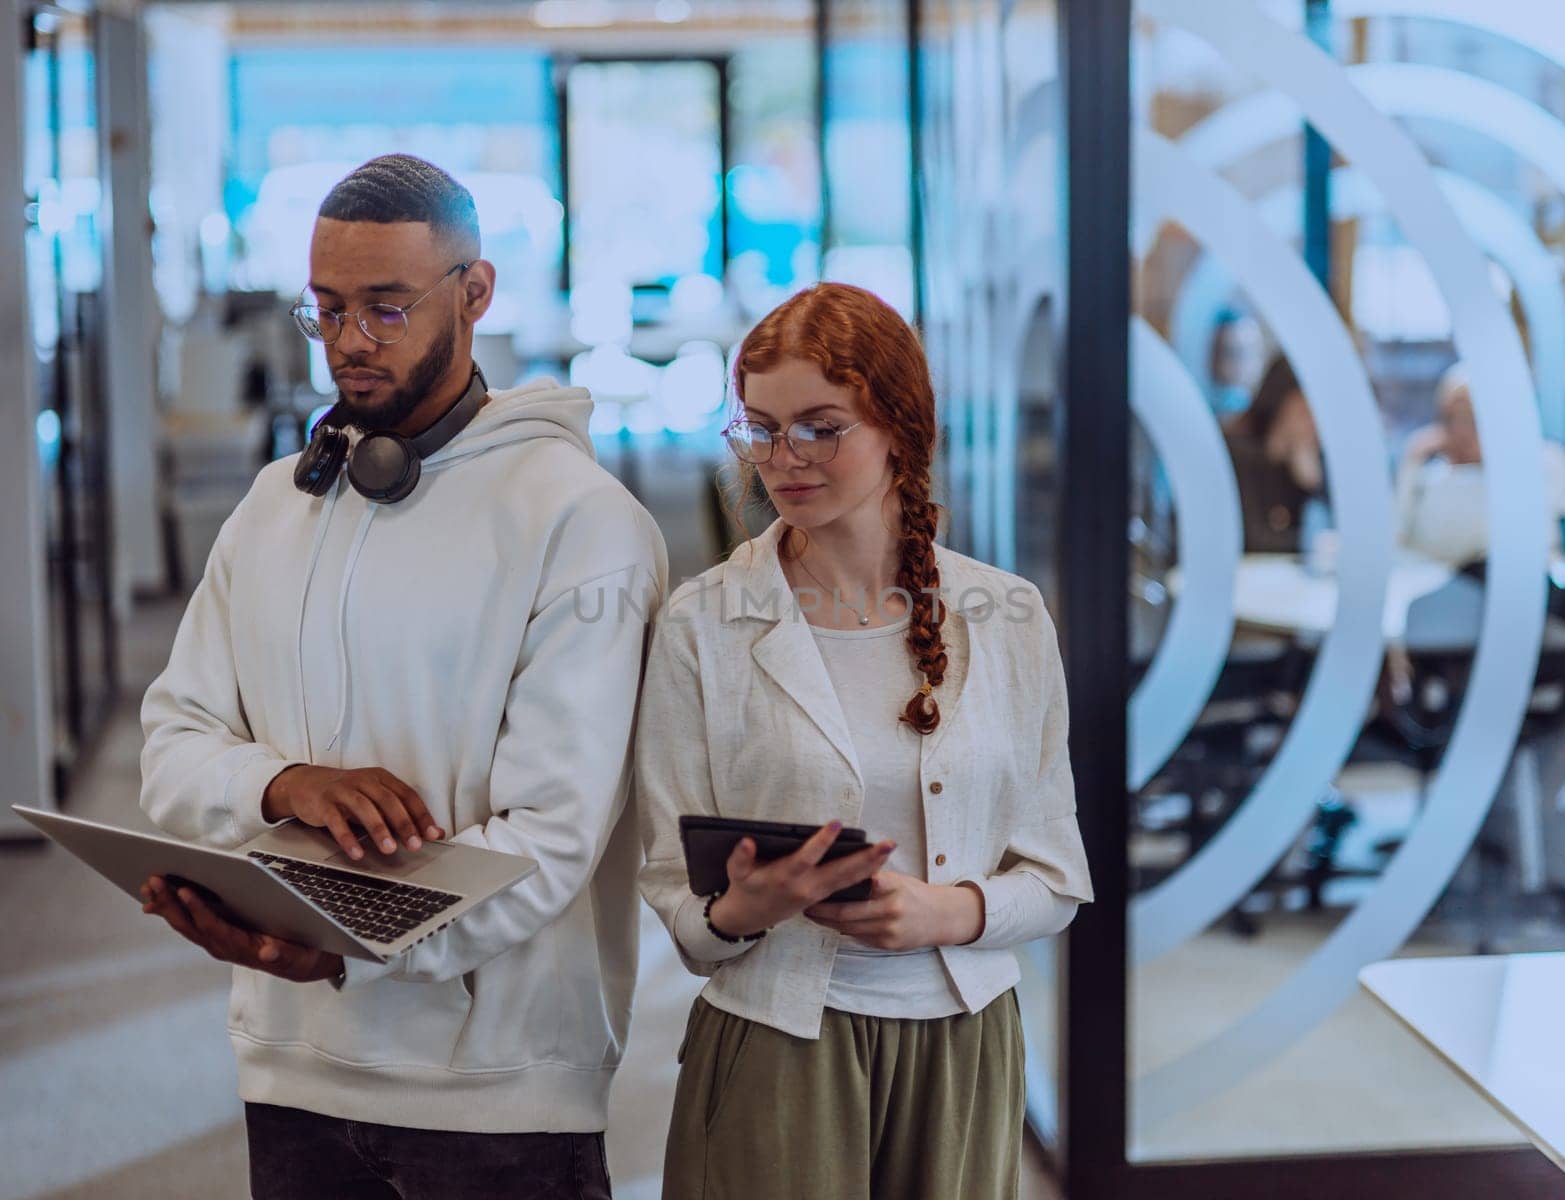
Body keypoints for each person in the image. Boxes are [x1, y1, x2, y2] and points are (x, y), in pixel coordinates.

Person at [138, 154, 666, 1199]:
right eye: (326, 309)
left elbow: (547, 841)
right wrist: (281, 785)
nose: (347, 343)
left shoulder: (580, 524)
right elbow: (173, 746)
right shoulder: (274, 506)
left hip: (499, 1094)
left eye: (385, 308)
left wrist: (335, 947)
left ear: (475, 294)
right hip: (291, 1068)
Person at [634, 282, 1093, 1200]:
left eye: (820, 426)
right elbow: (672, 897)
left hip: (966, 1046)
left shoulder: (1004, 618)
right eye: (759, 429)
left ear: (900, 427)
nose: (783, 458)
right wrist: (743, 910)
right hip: (776, 1048)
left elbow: (1056, 878)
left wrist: (947, 913)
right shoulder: (703, 623)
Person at [1395, 363, 1565, 566]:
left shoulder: (1544, 462)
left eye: (1472, 418)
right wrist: (1412, 461)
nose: (1461, 431)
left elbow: (1547, 524)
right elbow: (1400, 537)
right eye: (1451, 419)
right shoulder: (1431, 477)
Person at [1224, 355, 1325, 554]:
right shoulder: (1235, 455)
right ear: (1280, 401)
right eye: (1305, 410)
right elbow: (1253, 541)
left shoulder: (1306, 464)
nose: (1314, 423)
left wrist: (1310, 486)